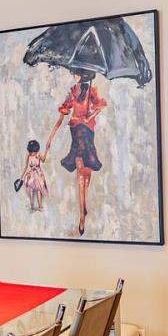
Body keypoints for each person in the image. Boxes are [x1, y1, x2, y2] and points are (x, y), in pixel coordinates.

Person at [44, 70, 106, 236]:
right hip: (76, 134)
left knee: (87, 172)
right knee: (80, 174)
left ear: (83, 74)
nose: (74, 75)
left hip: (88, 134)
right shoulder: (72, 91)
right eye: (74, 73)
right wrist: (50, 138)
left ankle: (83, 205)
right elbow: (62, 115)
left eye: (76, 73)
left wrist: (89, 117)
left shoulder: (91, 90)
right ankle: (81, 217)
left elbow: (100, 106)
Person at [19, 139, 49, 212]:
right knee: (31, 189)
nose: (32, 153)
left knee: (39, 190)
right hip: (31, 174)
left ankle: (40, 206)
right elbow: (25, 166)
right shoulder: (28, 155)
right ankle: (32, 205)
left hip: (38, 174)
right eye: (31, 152)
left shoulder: (38, 154)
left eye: (34, 152)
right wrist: (21, 177)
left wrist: (46, 150)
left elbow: (43, 160)